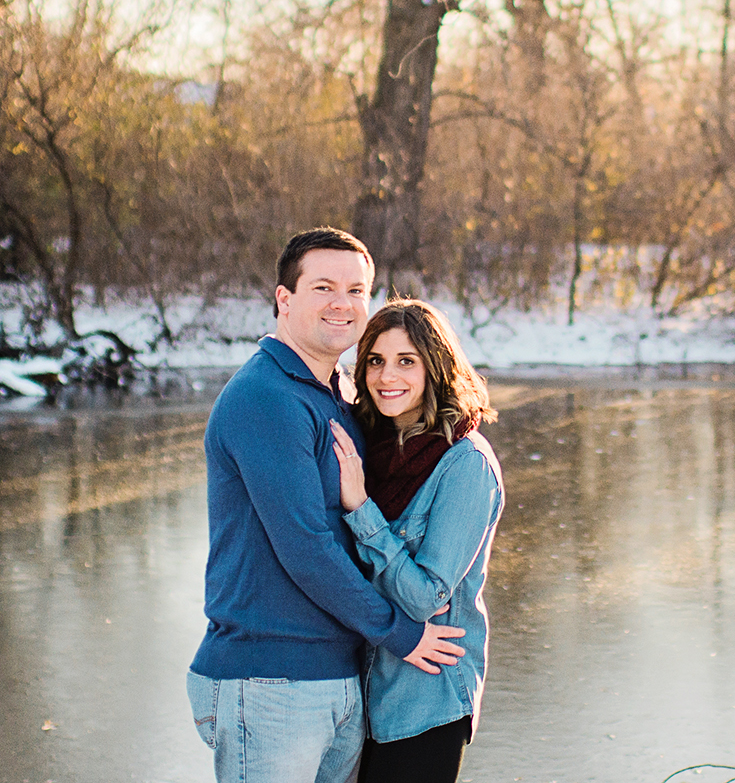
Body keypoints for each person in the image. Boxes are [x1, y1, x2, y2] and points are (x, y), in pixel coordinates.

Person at [187, 229, 466, 783]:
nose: (343, 303)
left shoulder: (334, 394)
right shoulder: (266, 397)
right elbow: (306, 548)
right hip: (269, 681)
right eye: (323, 287)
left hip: (335, 677)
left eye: (357, 289)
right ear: (284, 300)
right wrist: (402, 634)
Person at [328, 299, 504, 783]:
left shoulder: (466, 463)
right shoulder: (373, 444)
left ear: (437, 367)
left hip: (425, 701)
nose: (388, 376)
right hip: (362, 694)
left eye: (407, 361)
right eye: (376, 361)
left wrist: (361, 509)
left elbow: (425, 597)